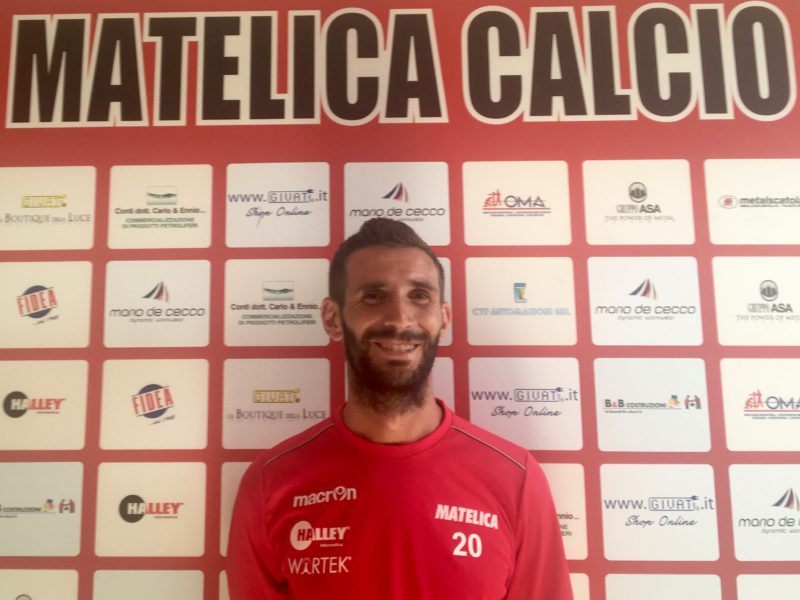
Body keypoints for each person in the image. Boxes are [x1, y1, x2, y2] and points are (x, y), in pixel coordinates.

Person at [227, 218, 573, 599]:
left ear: (443, 318)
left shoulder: (516, 479)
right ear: (332, 318)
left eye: (419, 295)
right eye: (374, 296)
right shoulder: (272, 485)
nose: (400, 318)